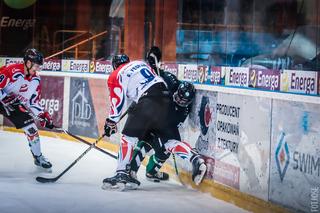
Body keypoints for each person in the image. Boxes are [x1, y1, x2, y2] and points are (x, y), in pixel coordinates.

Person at [102, 53, 206, 190]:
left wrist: (111, 122)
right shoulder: (140, 63)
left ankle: (122, 174)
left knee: (128, 138)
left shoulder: (116, 74)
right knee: (170, 142)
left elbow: (117, 102)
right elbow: (151, 82)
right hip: (167, 100)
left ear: (114, 66)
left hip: (147, 101)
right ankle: (196, 160)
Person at [129, 46, 199, 182]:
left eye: (183, 101)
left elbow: (173, 123)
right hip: (152, 117)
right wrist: (153, 62)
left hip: (165, 123)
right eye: (178, 97)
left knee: (165, 149)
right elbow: (157, 75)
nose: (179, 100)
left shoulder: (184, 110)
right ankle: (130, 170)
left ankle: (151, 171)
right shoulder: (172, 82)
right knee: (145, 141)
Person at [0, 48, 54, 170]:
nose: (38, 69)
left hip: (13, 104)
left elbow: (32, 101)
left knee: (31, 128)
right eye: (36, 66)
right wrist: (4, 98)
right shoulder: (11, 71)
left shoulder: (35, 80)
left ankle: (38, 157)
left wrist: (41, 114)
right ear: (28, 63)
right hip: (2, 100)